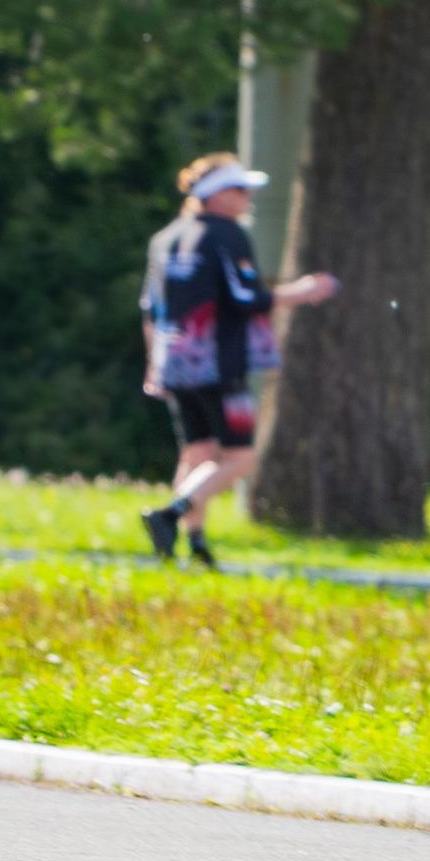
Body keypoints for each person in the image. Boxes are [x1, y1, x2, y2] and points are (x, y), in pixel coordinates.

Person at [136, 153, 336, 569]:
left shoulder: (165, 238)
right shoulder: (226, 235)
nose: (248, 198)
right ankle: (169, 516)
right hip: (219, 362)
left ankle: (195, 545)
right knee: (241, 456)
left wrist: (154, 365)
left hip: (174, 362)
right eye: (240, 190)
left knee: (197, 453)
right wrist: (302, 291)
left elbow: (151, 309)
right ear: (216, 196)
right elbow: (244, 298)